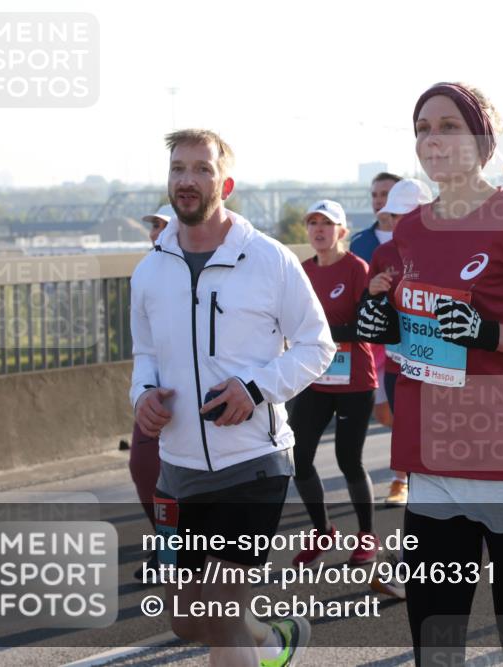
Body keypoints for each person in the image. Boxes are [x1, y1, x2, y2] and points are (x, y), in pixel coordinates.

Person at [357, 82, 503, 666]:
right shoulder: (407, 231)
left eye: (448, 126)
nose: (432, 139)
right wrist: (382, 322)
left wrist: (489, 334)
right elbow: (418, 332)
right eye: (423, 129)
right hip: (433, 468)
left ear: (483, 141)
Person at [130, 128, 334, 667]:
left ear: (226, 182)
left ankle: (252, 644)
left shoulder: (269, 260)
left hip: (252, 465)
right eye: (178, 169)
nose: (187, 180)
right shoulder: (150, 269)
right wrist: (143, 395)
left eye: (201, 168)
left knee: (221, 617)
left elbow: (318, 345)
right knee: (186, 620)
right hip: (178, 470)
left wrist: (255, 388)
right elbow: (144, 353)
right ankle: (273, 641)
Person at [290, 200, 380, 566]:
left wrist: (320, 335)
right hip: (314, 378)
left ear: (341, 232)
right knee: (298, 458)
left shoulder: (357, 269)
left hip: (355, 381)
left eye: (326, 224)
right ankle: (322, 530)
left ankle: (367, 536)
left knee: (349, 460)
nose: (318, 230)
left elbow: (364, 326)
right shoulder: (302, 271)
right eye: (312, 223)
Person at [365, 178, 435, 509]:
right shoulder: (382, 253)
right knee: (403, 427)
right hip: (398, 359)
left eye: (405, 215)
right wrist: (374, 292)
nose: (397, 223)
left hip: (439, 360)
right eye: (393, 216)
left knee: (438, 431)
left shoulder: (447, 249)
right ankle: (402, 481)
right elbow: (368, 313)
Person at [129, 203, 174, 583]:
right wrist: (142, 388)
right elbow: (141, 345)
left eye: (162, 225)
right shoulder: (146, 270)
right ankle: (166, 545)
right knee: (143, 467)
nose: (154, 232)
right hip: (154, 391)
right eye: (153, 226)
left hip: (193, 392)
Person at [350, 173, 402, 434]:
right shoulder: (360, 242)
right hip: (374, 339)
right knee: (383, 412)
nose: (379, 200)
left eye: (386, 194)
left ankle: (402, 471)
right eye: (375, 195)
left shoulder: (419, 239)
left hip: (409, 335)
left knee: (407, 407)